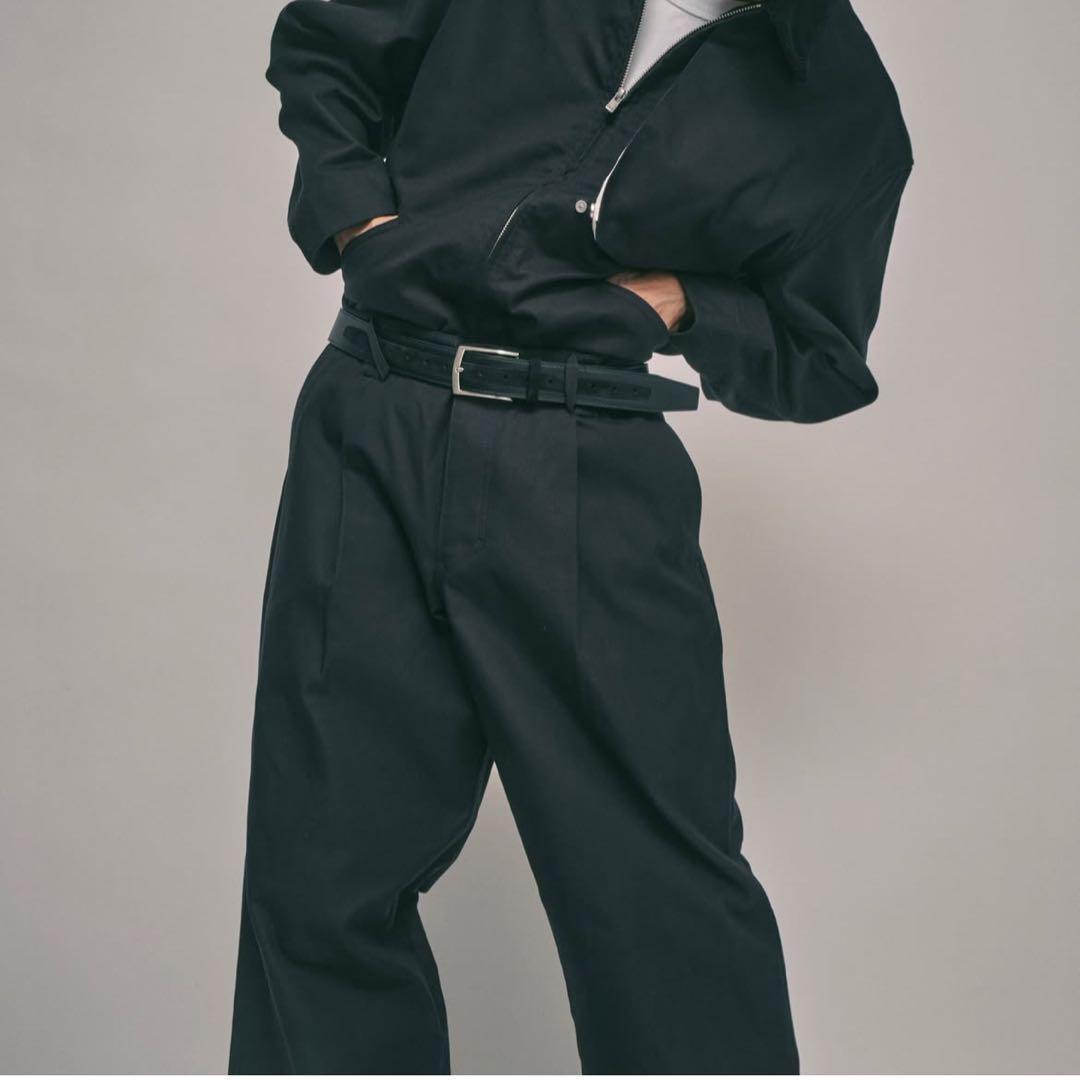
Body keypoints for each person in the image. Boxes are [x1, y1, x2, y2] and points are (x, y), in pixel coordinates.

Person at [228, 0, 913, 1073]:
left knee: (657, 900)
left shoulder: (840, 102)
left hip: (587, 464)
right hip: (372, 415)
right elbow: (329, 43)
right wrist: (362, 223)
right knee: (320, 876)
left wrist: (688, 303)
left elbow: (822, 353)